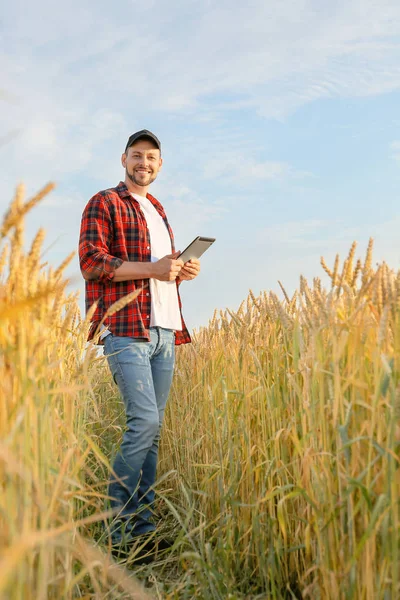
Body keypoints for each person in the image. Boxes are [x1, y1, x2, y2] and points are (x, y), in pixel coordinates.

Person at [78, 129, 200, 561]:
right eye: (136, 156)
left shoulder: (159, 209)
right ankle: (115, 531)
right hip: (126, 327)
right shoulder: (105, 202)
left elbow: (157, 270)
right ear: (123, 160)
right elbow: (92, 263)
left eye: (151, 157)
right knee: (143, 423)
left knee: (152, 434)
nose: (143, 162)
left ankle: (142, 531)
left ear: (160, 165)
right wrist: (153, 267)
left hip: (164, 329)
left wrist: (179, 270)